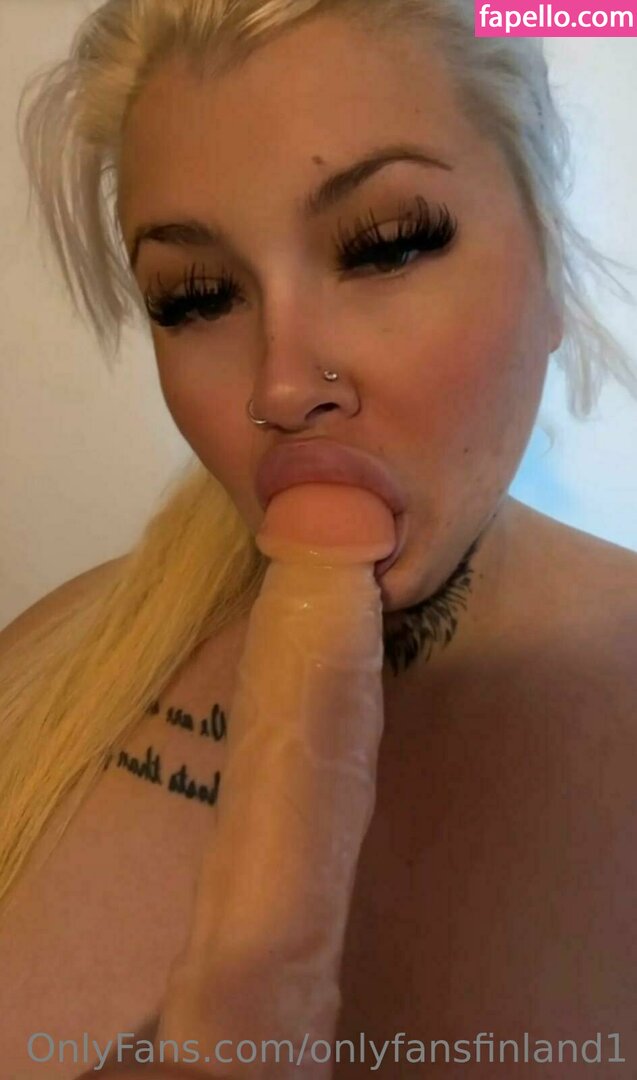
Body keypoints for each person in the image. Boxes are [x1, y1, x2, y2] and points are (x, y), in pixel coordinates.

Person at [0, 0, 635, 1076]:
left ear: (549, 271)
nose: (283, 387)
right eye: (196, 297)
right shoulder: (38, 683)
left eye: (388, 245)